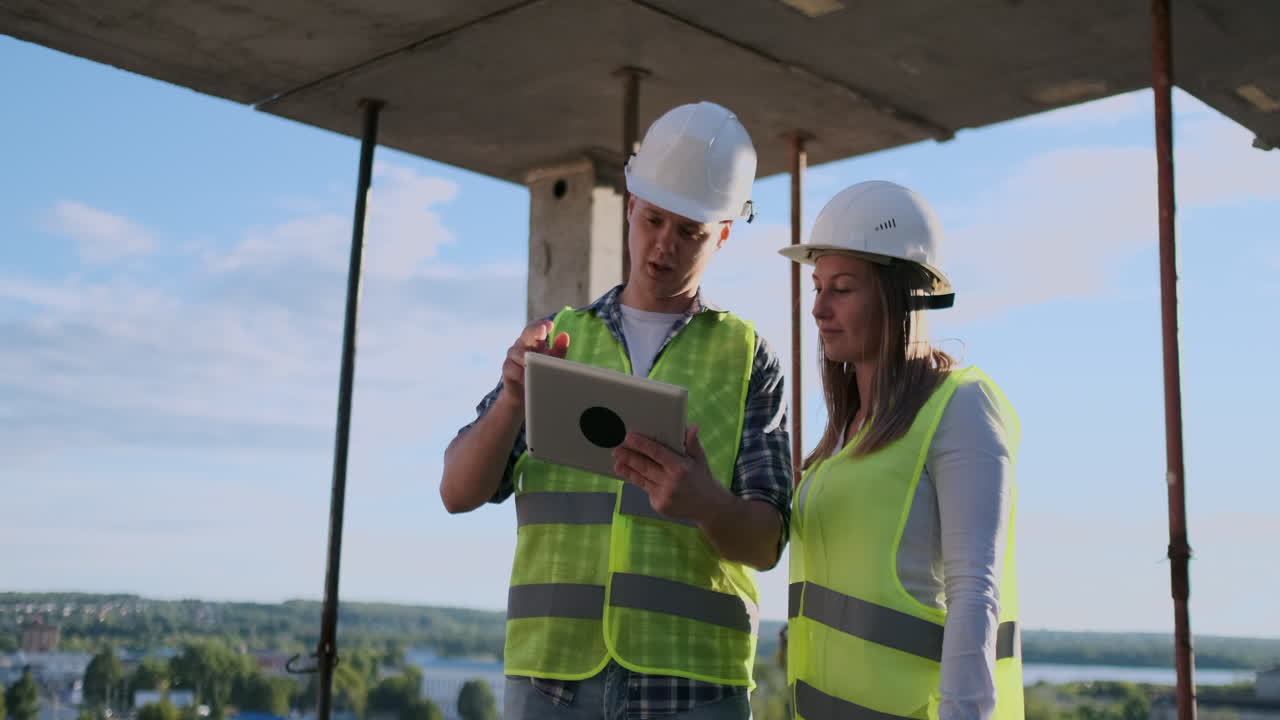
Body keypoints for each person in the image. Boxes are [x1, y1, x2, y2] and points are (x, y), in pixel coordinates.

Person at [440, 101, 793, 720]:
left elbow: (767, 543)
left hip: (692, 686)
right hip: (551, 680)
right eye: (654, 219)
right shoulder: (558, 340)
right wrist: (514, 402)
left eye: (690, 232)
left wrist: (705, 503)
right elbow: (457, 490)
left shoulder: (747, 357)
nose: (664, 246)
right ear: (630, 204)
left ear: (724, 234)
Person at [780, 181, 1023, 720]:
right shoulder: (844, 434)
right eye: (817, 286)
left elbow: (973, 593)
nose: (818, 307)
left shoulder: (960, 408)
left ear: (903, 294)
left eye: (841, 288)